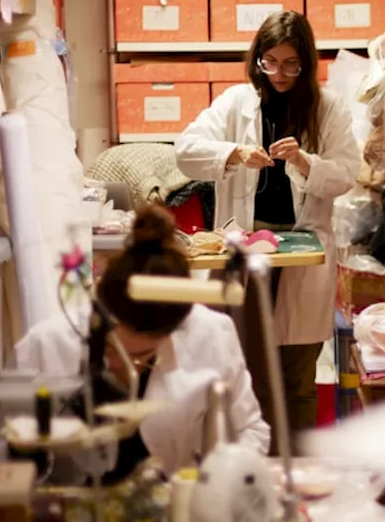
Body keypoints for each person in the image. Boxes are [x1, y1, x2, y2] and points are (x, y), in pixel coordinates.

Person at [175, 11, 360, 443]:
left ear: (307, 62)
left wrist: (302, 160)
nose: (279, 73)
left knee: (296, 380)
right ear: (257, 59)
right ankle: (248, 476)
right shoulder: (236, 103)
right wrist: (234, 153)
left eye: (291, 63)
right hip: (243, 251)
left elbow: (346, 174)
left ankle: (294, 475)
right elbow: (186, 151)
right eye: (270, 61)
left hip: (302, 254)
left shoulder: (327, 108)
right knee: (242, 372)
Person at [15, 205, 270, 481]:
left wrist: (222, 481)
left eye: (145, 356)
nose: (121, 365)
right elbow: (1, 447)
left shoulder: (210, 333)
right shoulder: (47, 344)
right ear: (102, 312)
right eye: (112, 350)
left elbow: (250, 430)